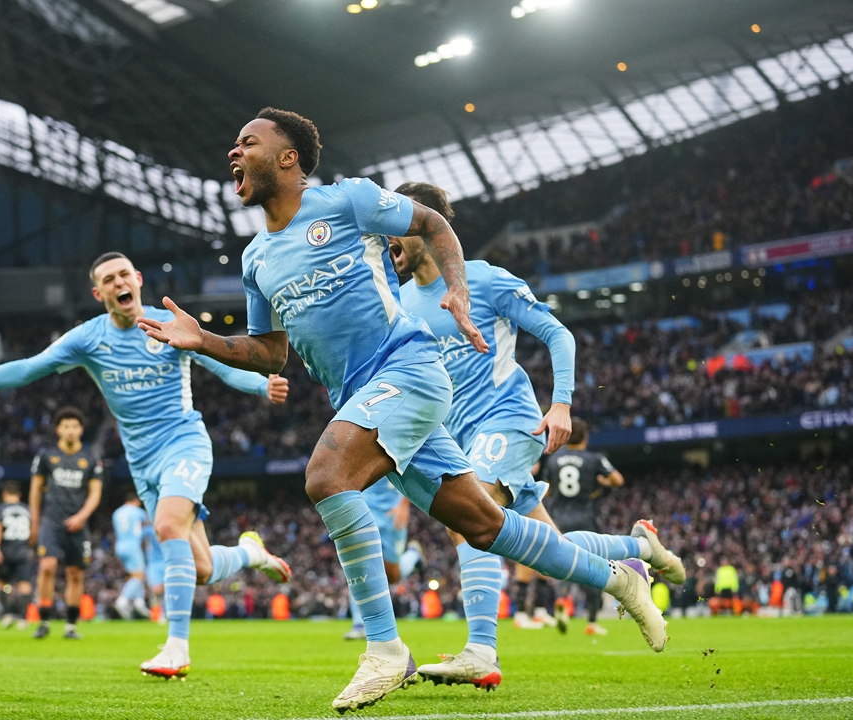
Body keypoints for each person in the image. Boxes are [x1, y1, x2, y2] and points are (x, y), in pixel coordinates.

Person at [137, 107, 668, 712]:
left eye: (247, 142)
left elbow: (434, 223)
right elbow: (269, 352)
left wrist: (458, 295)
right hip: (365, 398)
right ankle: (619, 577)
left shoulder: (346, 202)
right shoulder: (256, 259)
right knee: (483, 526)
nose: (234, 152)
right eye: (233, 144)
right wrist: (202, 339)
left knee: (327, 476)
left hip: (408, 372)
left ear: (288, 158)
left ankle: (385, 650)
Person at [0, 252, 293, 676]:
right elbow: (29, 369)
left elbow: (221, 366)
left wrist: (261, 385)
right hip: (142, 462)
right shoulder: (88, 338)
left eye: (124, 274)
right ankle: (251, 553)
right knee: (203, 569)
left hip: (184, 444)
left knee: (169, 526)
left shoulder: (168, 323)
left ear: (137, 279)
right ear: (99, 293)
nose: (119, 282)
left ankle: (176, 648)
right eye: (108, 279)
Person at [387, 181, 685, 688]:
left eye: (396, 224)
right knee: (547, 549)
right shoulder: (398, 302)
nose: (386, 234)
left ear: (424, 225)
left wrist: (562, 403)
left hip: (508, 418)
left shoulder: (482, 280)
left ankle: (481, 650)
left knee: (469, 515)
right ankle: (637, 550)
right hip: (460, 437)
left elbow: (557, 333)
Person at [542, 418, 659, 634]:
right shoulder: (594, 459)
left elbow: (547, 490)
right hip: (585, 518)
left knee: (563, 563)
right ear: (585, 437)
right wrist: (600, 483)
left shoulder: (553, 461)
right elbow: (617, 479)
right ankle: (592, 622)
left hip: (559, 518)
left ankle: (561, 598)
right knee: (593, 564)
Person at [28, 407, 103, 640]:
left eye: (74, 427)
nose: (70, 431)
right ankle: (44, 621)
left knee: (75, 574)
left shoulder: (91, 458)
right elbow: (35, 490)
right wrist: (35, 520)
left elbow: (95, 493)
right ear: (59, 429)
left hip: (78, 523)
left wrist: (82, 516)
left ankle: (71, 625)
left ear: (80, 430)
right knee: (47, 566)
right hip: (51, 521)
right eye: (66, 426)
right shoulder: (46, 456)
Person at [343, 478, 422, 641]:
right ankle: (359, 624)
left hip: (392, 513)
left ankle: (414, 555)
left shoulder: (398, 450)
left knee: (393, 577)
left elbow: (411, 471)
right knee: (359, 565)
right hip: (365, 508)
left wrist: (404, 504)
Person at [0, 481, 33, 630]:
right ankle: (23, 618)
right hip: (23, 550)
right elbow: (34, 530)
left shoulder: (1, 509)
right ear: (19, 495)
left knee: (3, 584)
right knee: (24, 585)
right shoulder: (27, 509)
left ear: (4, 494)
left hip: (7, 550)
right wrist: (31, 547)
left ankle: (8, 614)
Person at [113, 488, 151, 619]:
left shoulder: (116, 513)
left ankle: (139, 602)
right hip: (132, 546)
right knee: (139, 575)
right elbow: (149, 521)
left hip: (119, 545)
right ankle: (122, 601)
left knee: (134, 575)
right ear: (134, 501)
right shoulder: (137, 511)